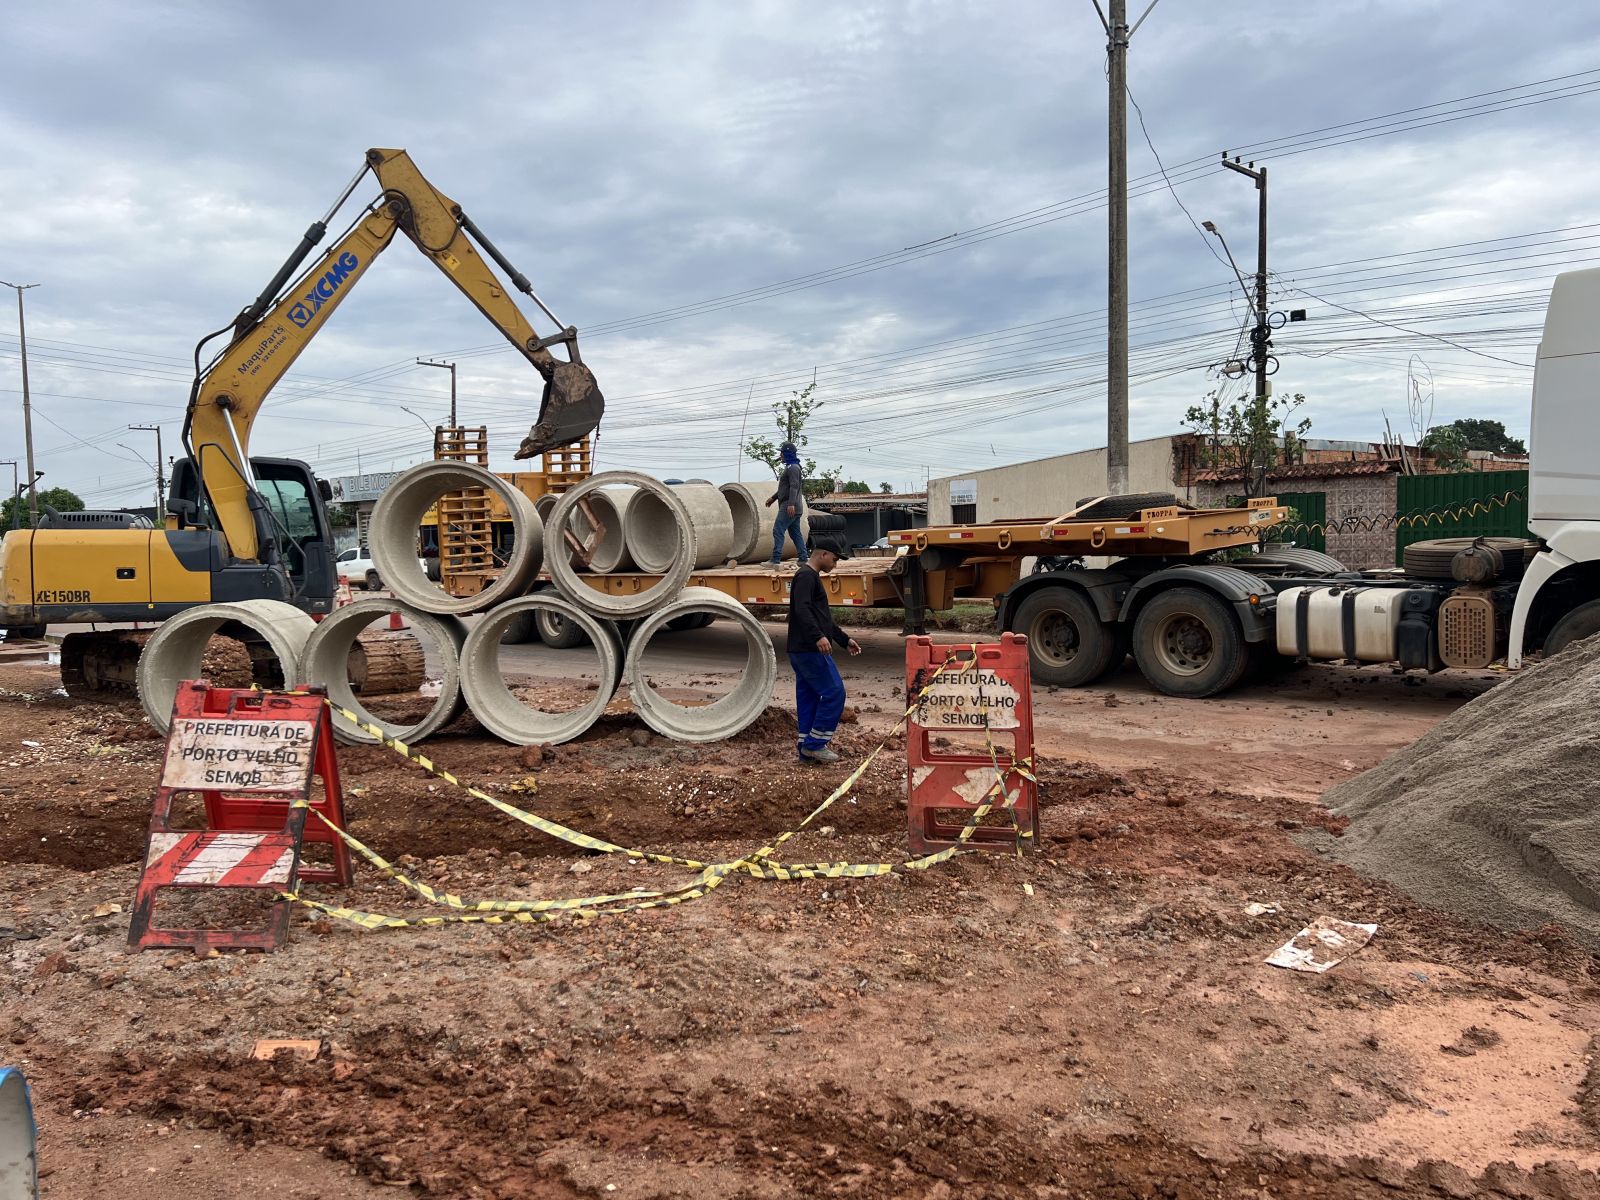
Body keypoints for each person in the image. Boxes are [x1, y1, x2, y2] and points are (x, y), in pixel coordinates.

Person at [787, 541, 861, 765]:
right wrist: (818, 637)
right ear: (824, 554)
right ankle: (815, 745)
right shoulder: (806, 577)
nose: (836, 565)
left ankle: (806, 749)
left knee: (809, 698)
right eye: (835, 560)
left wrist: (843, 639)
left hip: (801, 649)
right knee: (834, 693)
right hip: (809, 650)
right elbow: (802, 610)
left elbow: (822, 618)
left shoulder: (809, 577)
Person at [764, 442, 808, 565]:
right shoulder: (791, 467)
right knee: (795, 533)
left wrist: (791, 504)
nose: (780, 455)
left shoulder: (793, 468)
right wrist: (773, 498)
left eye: (782, 453)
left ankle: (775, 559)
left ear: (787, 453)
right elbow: (785, 488)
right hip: (793, 505)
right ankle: (803, 558)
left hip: (789, 506)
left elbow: (794, 486)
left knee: (778, 530)